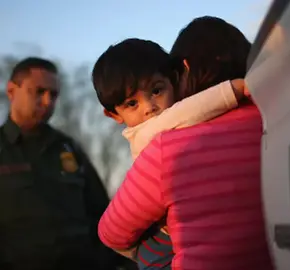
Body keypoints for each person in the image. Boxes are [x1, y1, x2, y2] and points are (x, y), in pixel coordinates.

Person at [97, 16, 274, 270]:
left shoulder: (168, 146)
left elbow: (111, 232)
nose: (150, 108)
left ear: (183, 70)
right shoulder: (277, 115)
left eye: (157, 90)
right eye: (132, 104)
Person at [0, 57, 123, 270]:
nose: (48, 101)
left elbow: (104, 217)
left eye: (53, 95)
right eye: (38, 91)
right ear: (11, 91)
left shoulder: (68, 149)